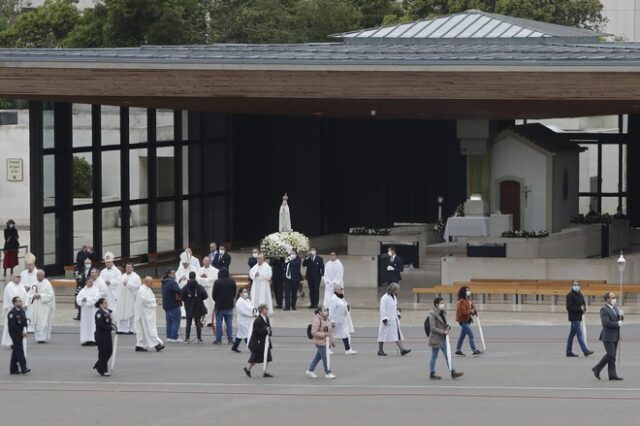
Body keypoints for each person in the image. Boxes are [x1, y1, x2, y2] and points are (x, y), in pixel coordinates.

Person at [428, 297, 463, 380]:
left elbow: (444, 323)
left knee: (448, 355)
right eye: (441, 303)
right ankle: (432, 373)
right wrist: (443, 331)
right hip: (436, 338)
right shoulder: (432, 314)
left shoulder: (442, 312)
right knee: (434, 355)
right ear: (436, 304)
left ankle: (453, 371)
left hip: (443, 338)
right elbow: (433, 328)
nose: (443, 305)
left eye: (443, 303)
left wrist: (447, 327)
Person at [592, 292, 623, 381]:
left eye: (614, 297)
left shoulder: (615, 308)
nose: (614, 299)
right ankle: (597, 368)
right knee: (611, 354)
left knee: (612, 356)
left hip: (616, 335)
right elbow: (606, 323)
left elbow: (620, 320)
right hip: (608, 336)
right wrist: (617, 323)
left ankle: (612, 374)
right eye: (612, 297)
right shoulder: (604, 309)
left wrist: (621, 315)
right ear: (606, 299)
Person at [377, 283, 410, 356]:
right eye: (397, 290)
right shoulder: (384, 298)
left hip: (394, 319)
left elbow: (396, 307)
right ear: (392, 289)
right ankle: (380, 350)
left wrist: (398, 314)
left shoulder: (394, 297)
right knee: (382, 335)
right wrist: (384, 319)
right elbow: (382, 309)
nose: (398, 291)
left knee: (396, 334)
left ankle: (402, 349)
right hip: (387, 320)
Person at [134, 276, 165, 352]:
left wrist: (154, 301)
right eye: (151, 282)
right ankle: (156, 345)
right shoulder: (142, 290)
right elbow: (144, 300)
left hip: (148, 313)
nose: (152, 284)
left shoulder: (147, 289)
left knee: (143, 330)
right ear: (146, 282)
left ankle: (139, 345)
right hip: (144, 314)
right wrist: (154, 301)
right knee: (149, 329)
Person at [305, 307, 336, 379]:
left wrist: (332, 341)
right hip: (320, 342)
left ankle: (310, 370)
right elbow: (314, 332)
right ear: (319, 311)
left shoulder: (327, 319)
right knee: (326, 357)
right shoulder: (316, 319)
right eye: (324, 310)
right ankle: (328, 372)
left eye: (327, 310)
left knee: (318, 357)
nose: (326, 312)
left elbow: (329, 331)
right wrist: (323, 335)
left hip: (327, 342)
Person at [244, 304, 273, 378]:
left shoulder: (266, 318)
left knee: (268, 357)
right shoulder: (258, 320)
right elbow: (256, 331)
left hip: (265, 341)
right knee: (255, 358)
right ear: (262, 310)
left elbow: (268, 327)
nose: (267, 310)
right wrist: (265, 330)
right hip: (258, 342)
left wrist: (269, 331)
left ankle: (265, 371)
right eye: (266, 309)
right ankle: (248, 369)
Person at [566, 280, 594, 357]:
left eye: (578, 285)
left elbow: (583, 303)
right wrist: (580, 309)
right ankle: (585, 351)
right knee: (579, 334)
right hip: (573, 317)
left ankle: (568, 351)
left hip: (579, 317)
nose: (576, 286)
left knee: (571, 335)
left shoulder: (580, 294)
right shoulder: (569, 295)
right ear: (572, 285)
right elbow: (569, 307)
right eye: (575, 285)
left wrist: (584, 308)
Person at [328, 283, 357, 355]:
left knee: (345, 334)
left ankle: (348, 349)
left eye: (342, 289)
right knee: (331, 334)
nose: (342, 290)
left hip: (342, 320)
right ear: (336, 290)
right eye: (341, 289)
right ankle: (327, 349)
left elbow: (345, 305)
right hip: (336, 320)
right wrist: (332, 321)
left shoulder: (341, 297)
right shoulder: (333, 299)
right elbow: (331, 310)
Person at [28, 270, 55, 343]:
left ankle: (43, 338)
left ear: (43, 276)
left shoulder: (47, 284)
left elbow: (50, 295)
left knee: (43, 321)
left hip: (44, 307)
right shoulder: (34, 284)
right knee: (37, 322)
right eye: (38, 275)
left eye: (40, 275)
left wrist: (40, 295)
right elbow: (29, 295)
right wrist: (33, 296)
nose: (39, 277)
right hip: (36, 307)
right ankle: (38, 338)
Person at [112, 262, 141, 334]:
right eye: (127, 267)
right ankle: (122, 329)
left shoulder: (136, 277)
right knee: (122, 313)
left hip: (131, 298)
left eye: (129, 267)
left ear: (133, 268)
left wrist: (128, 284)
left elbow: (137, 287)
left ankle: (132, 329)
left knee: (131, 314)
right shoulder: (123, 276)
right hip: (122, 298)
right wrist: (117, 296)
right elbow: (119, 287)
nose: (127, 268)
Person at [455, 286, 483, 357]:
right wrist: (470, 311)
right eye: (467, 290)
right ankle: (474, 350)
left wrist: (474, 311)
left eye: (468, 290)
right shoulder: (461, 301)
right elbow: (463, 312)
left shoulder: (468, 300)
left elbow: (472, 309)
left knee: (462, 336)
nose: (468, 291)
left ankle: (458, 350)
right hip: (463, 321)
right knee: (471, 334)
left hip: (467, 321)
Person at [181, 272, 208, 344]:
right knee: (198, 323)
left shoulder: (185, 287)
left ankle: (187, 338)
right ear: (195, 277)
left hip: (188, 307)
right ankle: (199, 338)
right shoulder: (199, 286)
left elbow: (182, 297)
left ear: (189, 277)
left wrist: (187, 301)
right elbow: (205, 296)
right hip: (198, 306)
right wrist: (199, 298)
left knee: (188, 323)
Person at [2, 274, 28, 347]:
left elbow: (25, 295)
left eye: (20, 277)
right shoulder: (9, 286)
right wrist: (19, 304)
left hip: (20, 309)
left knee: (20, 325)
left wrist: (25, 304)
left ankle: (18, 341)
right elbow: (12, 298)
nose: (19, 279)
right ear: (13, 278)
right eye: (17, 277)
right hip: (12, 310)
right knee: (12, 326)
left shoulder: (21, 286)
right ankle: (11, 342)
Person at [212, 268, 237, 344]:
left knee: (219, 323)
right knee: (229, 322)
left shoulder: (217, 282)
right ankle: (230, 339)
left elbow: (214, 294)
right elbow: (234, 293)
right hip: (229, 305)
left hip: (219, 306)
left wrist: (216, 300)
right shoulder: (232, 281)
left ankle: (218, 339)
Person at [76, 277, 101, 346]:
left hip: (93, 310)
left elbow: (97, 299)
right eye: (89, 281)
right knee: (85, 325)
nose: (90, 283)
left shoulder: (96, 290)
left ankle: (94, 339)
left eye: (91, 281)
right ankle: (86, 339)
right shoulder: (83, 290)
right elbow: (78, 299)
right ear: (86, 282)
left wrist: (87, 300)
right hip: (85, 312)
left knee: (93, 325)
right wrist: (83, 300)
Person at [8, 296, 30, 375]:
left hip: (21, 333)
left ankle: (13, 369)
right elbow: (12, 326)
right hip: (15, 334)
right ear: (14, 303)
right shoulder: (12, 313)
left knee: (16, 351)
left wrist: (25, 331)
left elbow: (24, 322)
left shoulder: (22, 311)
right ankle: (24, 368)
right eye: (19, 301)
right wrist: (21, 333)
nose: (20, 303)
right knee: (20, 351)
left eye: (21, 301)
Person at [93, 297, 114, 376]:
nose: (107, 304)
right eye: (105, 303)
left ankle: (99, 364)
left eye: (106, 303)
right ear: (101, 305)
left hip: (107, 335)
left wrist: (113, 326)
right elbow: (100, 324)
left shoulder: (107, 312)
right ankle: (103, 370)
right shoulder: (99, 313)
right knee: (103, 353)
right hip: (101, 336)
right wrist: (110, 328)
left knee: (109, 351)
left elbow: (109, 322)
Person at [161, 268, 182, 343]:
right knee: (176, 320)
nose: (174, 275)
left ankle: (169, 336)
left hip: (166, 304)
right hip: (173, 304)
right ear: (169, 274)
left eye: (174, 273)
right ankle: (174, 337)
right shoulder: (172, 282)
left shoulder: (164, 282)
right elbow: (178, 290)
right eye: (172, 273)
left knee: (169, 321)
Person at [196, 256, 218, 326]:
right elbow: (197, 278)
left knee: (211, 304)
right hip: (202, 290)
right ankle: (203, 321)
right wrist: (202, 278)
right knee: (203, 305)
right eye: (204, 261)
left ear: (210, 262)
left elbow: (214, 278)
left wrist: (205, 279)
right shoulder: (200, 270)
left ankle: (211, 321)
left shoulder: (215, 270)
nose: (205, 262)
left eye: (207, 261)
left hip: (210, 289)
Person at [232, 288, 255, 353]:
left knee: (240, 334)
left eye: (246, 291)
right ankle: (251, 348)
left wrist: (254, 312)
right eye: (244, 292)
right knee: (246, 335)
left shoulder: (247, 300)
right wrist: (250, 315)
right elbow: (242, 312)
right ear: (240, 293)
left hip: (248, 320)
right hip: (242, 321)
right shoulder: (240, 301)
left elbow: (251, 307)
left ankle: (234, 347)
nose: (246, 293)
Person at [74, 257, 93, 321]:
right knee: (79, 299)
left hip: (90, 287)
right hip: (82, 287)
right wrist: (78, 277)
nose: (87, 264)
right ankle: (79, 315)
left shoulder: (92, 270)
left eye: (89, 263)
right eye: (86, 263)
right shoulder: (82, 269)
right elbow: (79, 277)